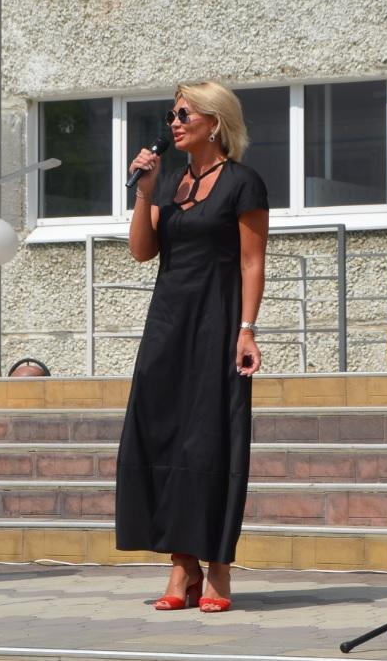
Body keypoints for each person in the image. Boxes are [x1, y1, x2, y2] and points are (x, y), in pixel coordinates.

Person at [114, 81, 269, 613]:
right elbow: (141, 251)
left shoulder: (243, 183)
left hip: (218, 322)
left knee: (208, 441)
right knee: (162, 437)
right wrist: (144, 191)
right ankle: (181, 564)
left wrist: (247, 329)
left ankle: (216, 565)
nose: (174, 123)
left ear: (215, 122)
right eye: (172, 115)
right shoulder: (172, 183)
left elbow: (252, 262)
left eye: (184, 114)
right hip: (168, 325)